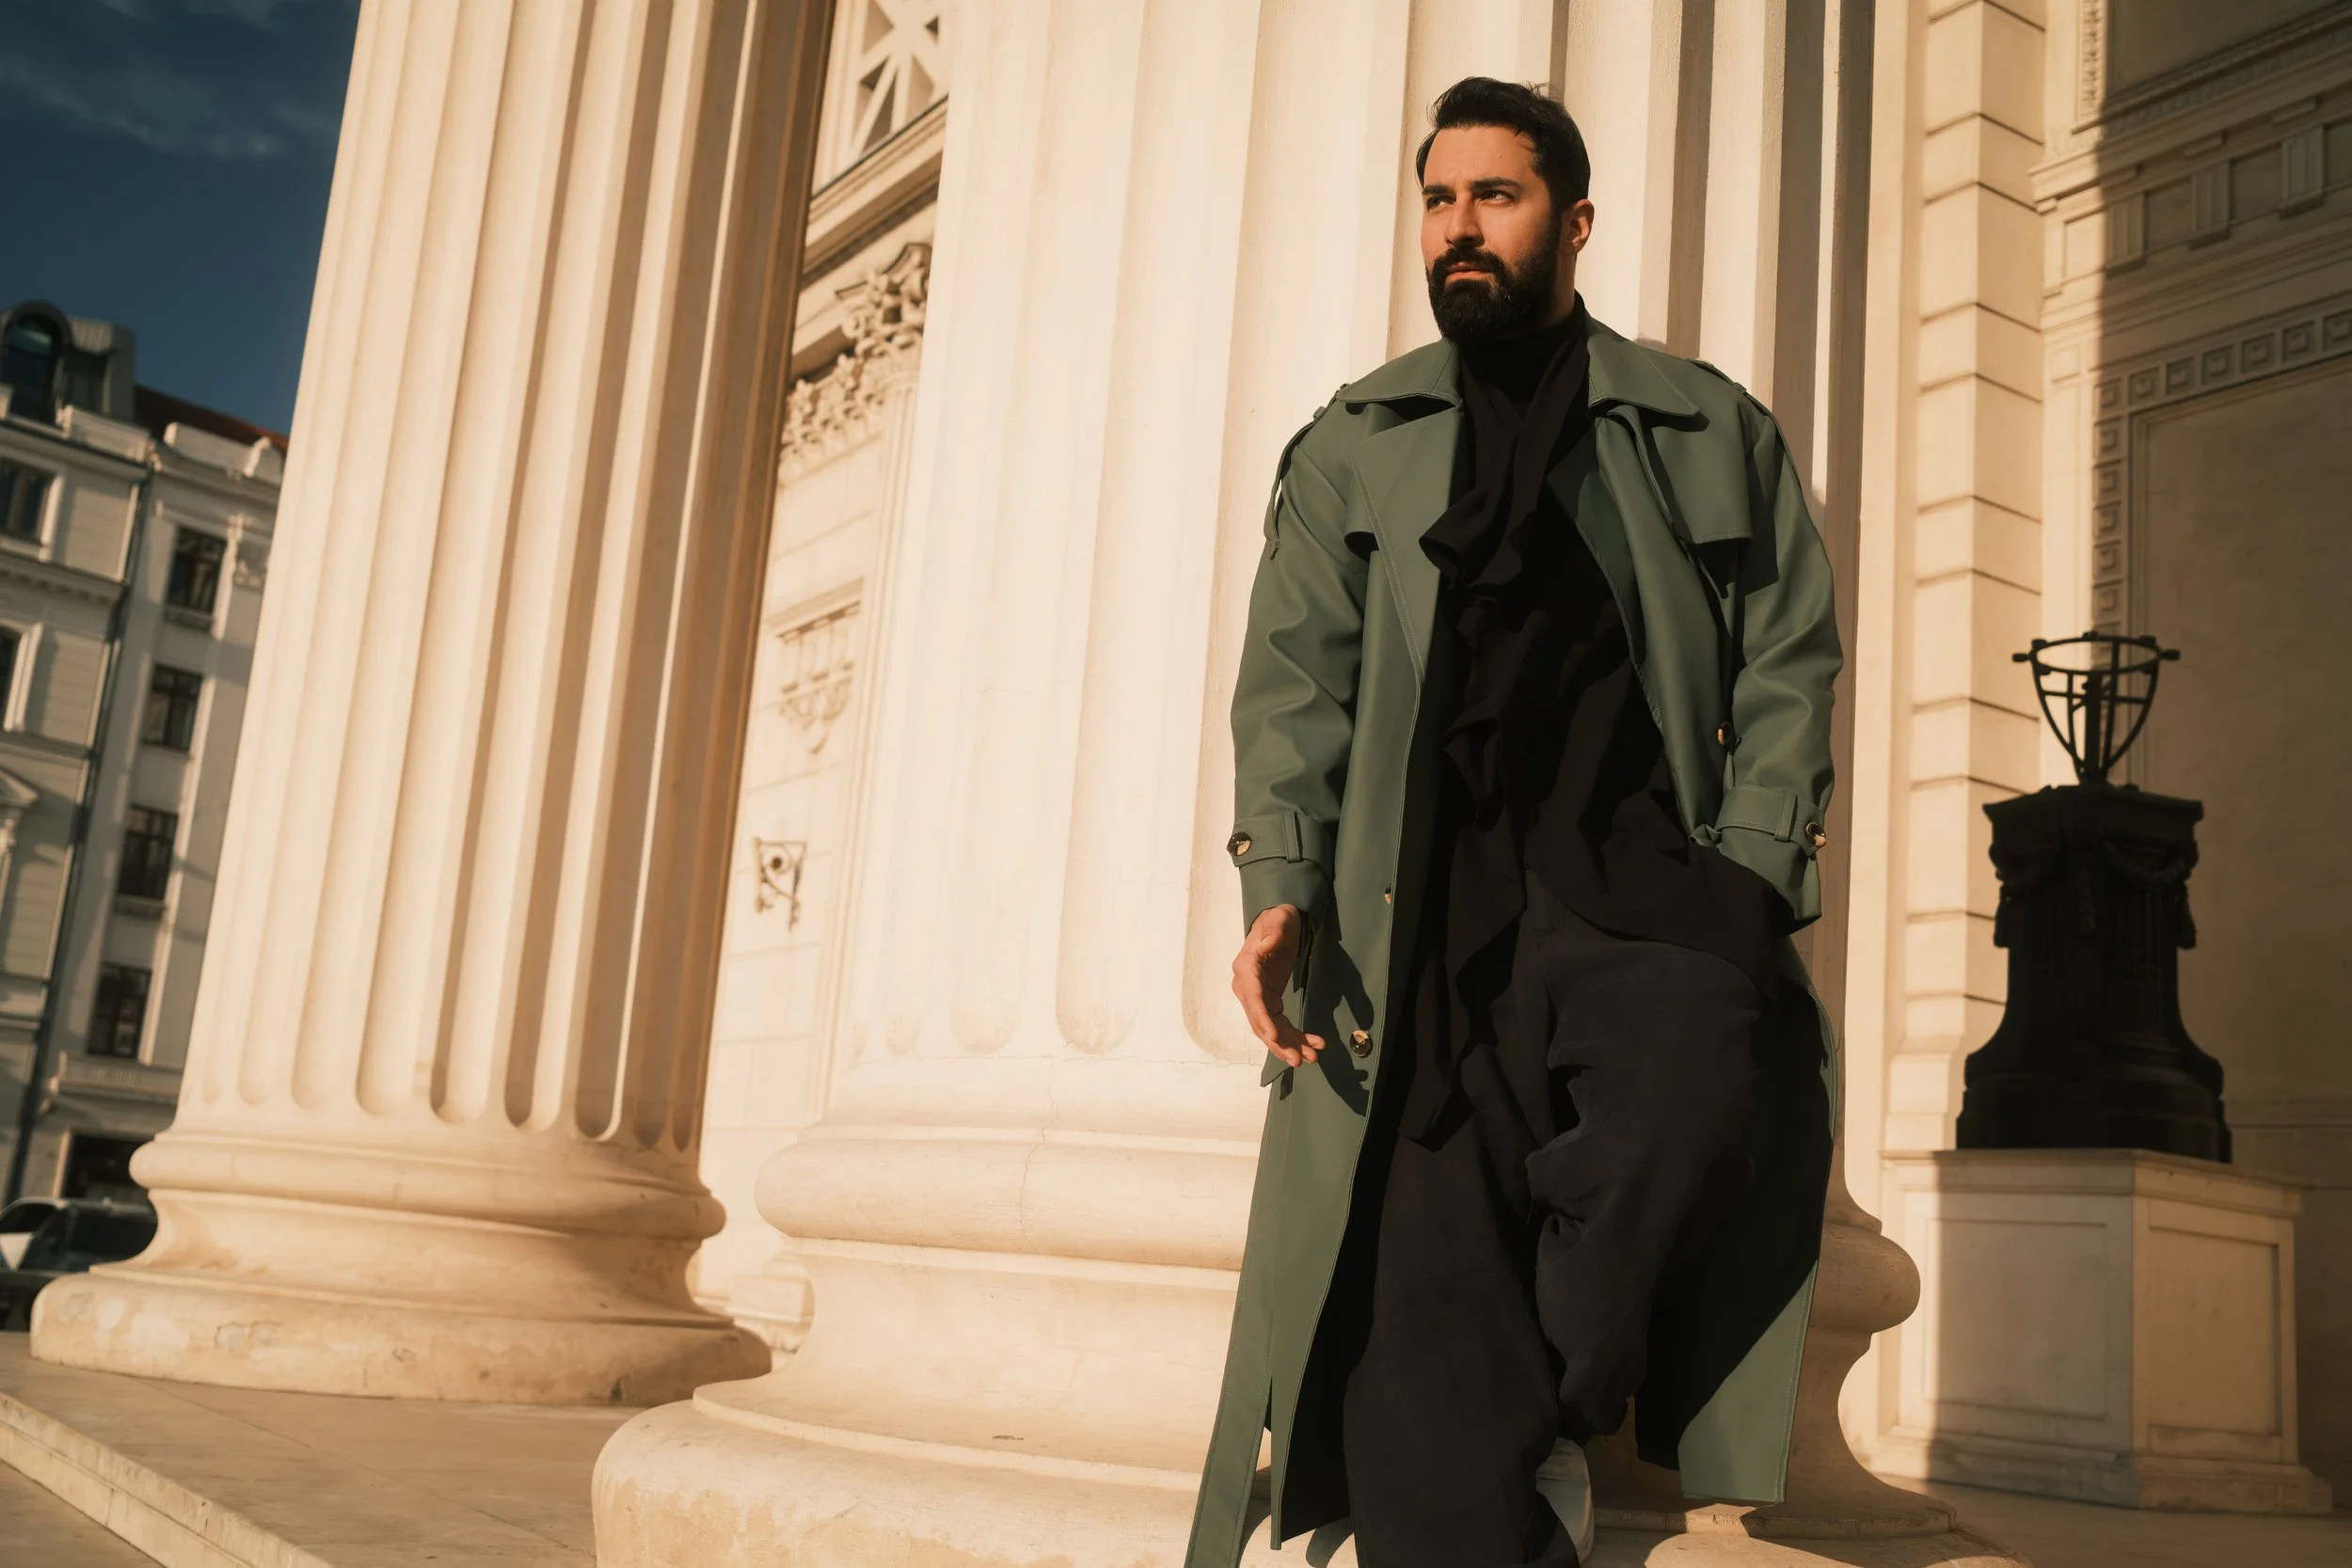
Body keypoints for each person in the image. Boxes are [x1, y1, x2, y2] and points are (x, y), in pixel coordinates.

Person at [1184, 78, 1842, 1568]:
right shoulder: (1355, 442)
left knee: (1691, 1098)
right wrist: (1283, 885)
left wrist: (1749, 880)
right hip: (1425, 922)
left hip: (1644, 890)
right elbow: (1292, 686)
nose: (1460, 226)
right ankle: (1505, 1452)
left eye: (1497, 194)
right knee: (1424, 1433)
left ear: (1575, 220)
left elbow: (1789, 654)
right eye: (1440, 198)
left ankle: (1554, 1389)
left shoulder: (1705, 424)